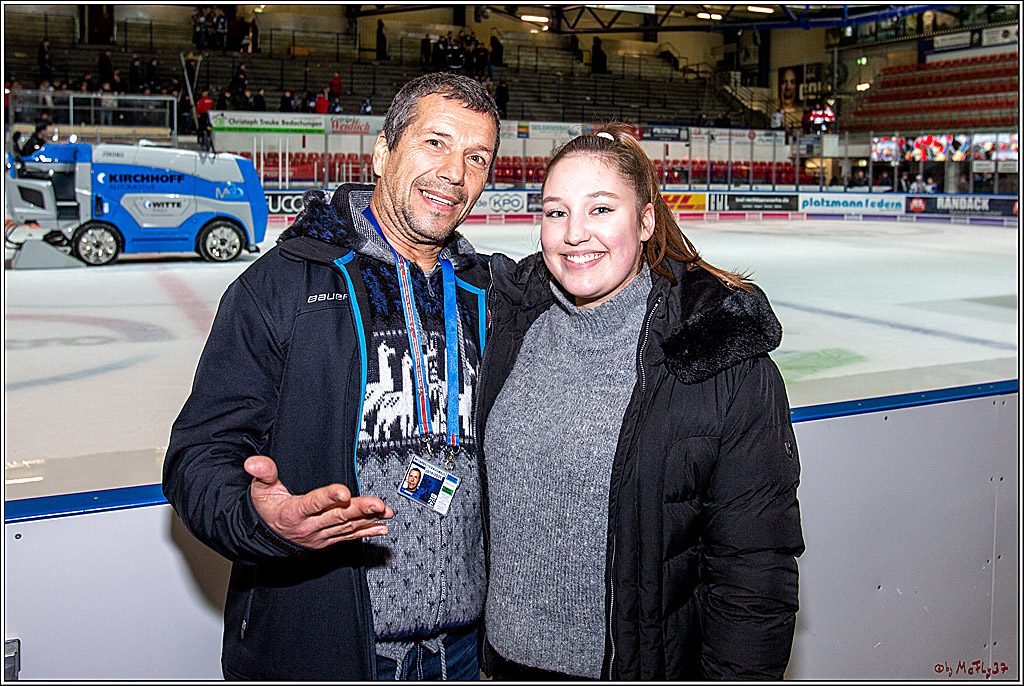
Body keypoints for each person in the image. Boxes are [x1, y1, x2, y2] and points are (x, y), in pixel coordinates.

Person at [163, 72, 500, 681]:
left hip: (462, 653)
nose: (456, 172)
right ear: (381, 152)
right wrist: (257, 517)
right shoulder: (284, 285)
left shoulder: (489, 293)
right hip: (325, 646)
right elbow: (198, 456)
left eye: (476, 157)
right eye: (435, 143)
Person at [477, 125, 804, 680]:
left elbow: (754, 572)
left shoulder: (717, 357)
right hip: (505, 668)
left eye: (601, 209)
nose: (575, 233)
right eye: (556, 212)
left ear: (646, 220)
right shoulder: (510, 323)